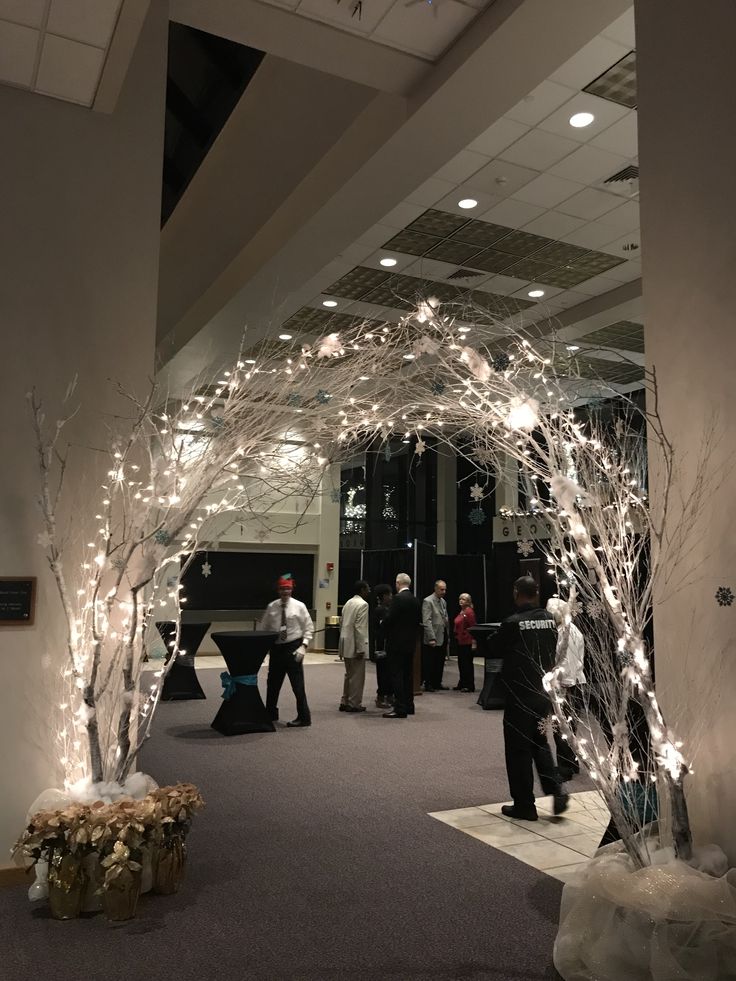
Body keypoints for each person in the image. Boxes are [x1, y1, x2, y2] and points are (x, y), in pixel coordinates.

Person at [487, 576, 568, 820]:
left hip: (519, 695)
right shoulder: (549, 620)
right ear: (536, 592)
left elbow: (494, 647)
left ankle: (524, 804)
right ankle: (556, 789)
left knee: (517, 750)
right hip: (543, 692)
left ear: (516, 592)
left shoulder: (513, 622)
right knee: (540, 742)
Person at [260, 573, 314, 728]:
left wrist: (303, 646)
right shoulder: (272, 607)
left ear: (292, 590)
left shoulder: (299, 606)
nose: (285, 592)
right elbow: (264, 628)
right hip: (276, 648)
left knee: (297, 685)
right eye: (282, 589)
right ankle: (270, 713)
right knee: (272, 684)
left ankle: (304, 717)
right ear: (278, 590)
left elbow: (308, 628)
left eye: (288, 589)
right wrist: (263, 650)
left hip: (293, 647)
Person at [546, 597, 586, 780]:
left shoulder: (566, 634)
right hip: (574, 683)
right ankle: (571, 761)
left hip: (567, 684)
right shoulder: (570, 630)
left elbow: (567, 663)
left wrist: (561, 685)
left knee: (561, 726)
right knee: (569, 726)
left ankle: (565, 768)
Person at [382, 572, 421, 719]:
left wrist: (382, 623)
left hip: (396, 644)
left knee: (396, 675)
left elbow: (390, 619)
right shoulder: (416, 600)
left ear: (398, 584)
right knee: (408, 675)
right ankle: (409, 705)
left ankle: (400, 707)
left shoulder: (397, 599)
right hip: (410, 644)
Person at [338, 581, 370, 713]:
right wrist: (361, 648)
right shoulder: (363, 604)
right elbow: (360, 628)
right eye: (368, 589)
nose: (369, 591)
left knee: (349, 674)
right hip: (355, 643)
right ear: (362, 590)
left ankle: (345, 701)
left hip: (345, 642)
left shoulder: (348, 603)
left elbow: (341, 622)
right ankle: (354, 703)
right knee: (357, 675)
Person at [421, 580, 449, 692]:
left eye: (445, 589)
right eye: (442, 589)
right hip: (433, 636)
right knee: (430, 661)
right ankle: (428, 683)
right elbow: (426, 621)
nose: (444, 591)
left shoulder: (443, 602)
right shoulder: (428, 601)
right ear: (436, 589)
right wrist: (431, 637)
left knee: (440, 661)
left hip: (442, 634)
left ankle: (437, 682)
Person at [371, 584, 394, 709]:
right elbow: (380, 628)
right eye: (389, 594)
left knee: (388, 672)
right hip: (382, 646)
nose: (391, 597)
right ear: (384, 596)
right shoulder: (380, 610)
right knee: (383, 672)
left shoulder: (387, 609)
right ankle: (381, 697)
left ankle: (389, 695)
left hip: (387, 645)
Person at [453, 593, 477, 693]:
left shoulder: (469, 612)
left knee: (467, 664)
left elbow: (473, 627)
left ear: (468, 601)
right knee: (461, 664)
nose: (461, 600)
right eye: (460, 599)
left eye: (463, 599)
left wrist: (474, 642)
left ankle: (469, 685)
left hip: (467, 641)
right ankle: (462, 682)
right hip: (460, 641)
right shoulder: (461, 612)